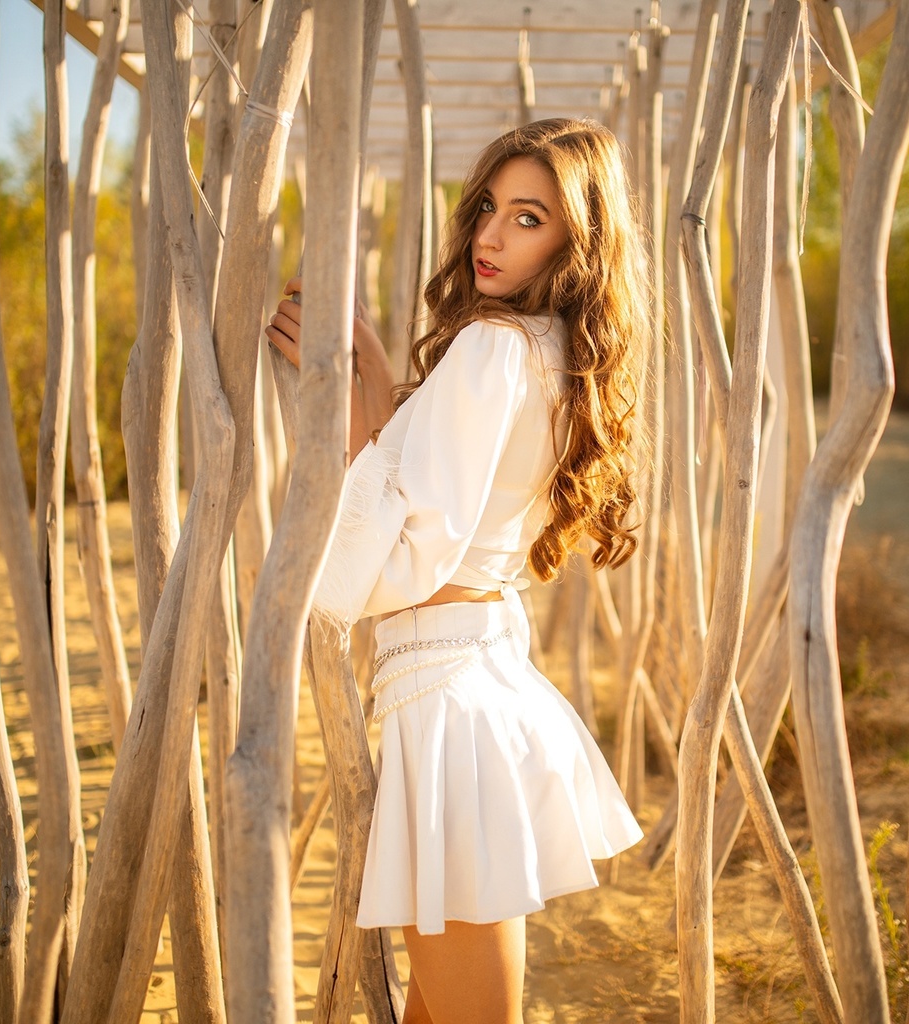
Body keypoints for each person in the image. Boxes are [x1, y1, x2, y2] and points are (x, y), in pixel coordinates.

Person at [266, 117, 649, 1024]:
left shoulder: (491, 348)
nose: (489, 235)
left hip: (447, 705)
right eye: (489, 207)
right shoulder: (553, 351)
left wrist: (312, 572)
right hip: (472, 682)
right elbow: (445, 509)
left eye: (528, 218)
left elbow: (408, 554)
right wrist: (375, 387)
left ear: (576, 240)